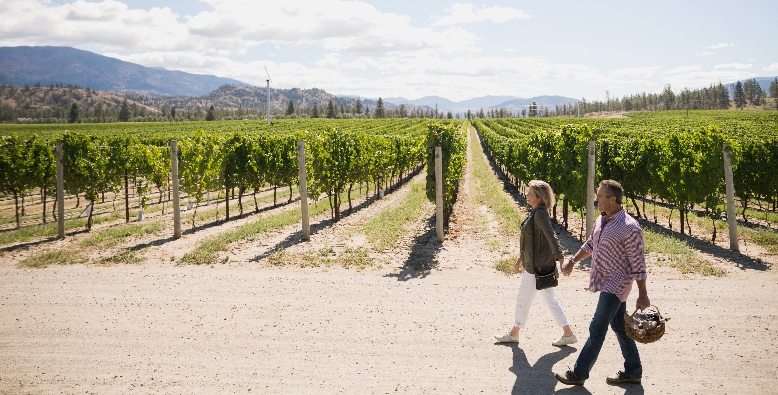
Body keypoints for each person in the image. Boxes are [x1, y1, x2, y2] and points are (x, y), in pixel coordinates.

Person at [554, 180, 650, 387]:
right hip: (605, 280)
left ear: (612, 199)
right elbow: (590, 244)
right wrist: (572, 261)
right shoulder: (601, 220)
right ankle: (633, 371)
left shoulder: (629, 227)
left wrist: (643, 294)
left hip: (617, 284)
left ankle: (579, 373)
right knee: (620, 326)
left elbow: (638, 263)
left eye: (599, 196)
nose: (596, 199)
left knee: (597, 327)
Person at [494, 180, 577, 347]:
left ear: (539, 197)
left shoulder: (540, 214)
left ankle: (513, 333)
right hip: (535, 264)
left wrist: (561, 259)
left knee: (523, 298)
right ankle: (568, 333)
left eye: (530, 193)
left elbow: (551, 236)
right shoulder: (536, 212)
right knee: (548, 300)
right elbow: (531, 240)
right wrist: (521, 258)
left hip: (537, 267)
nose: (527, 195)